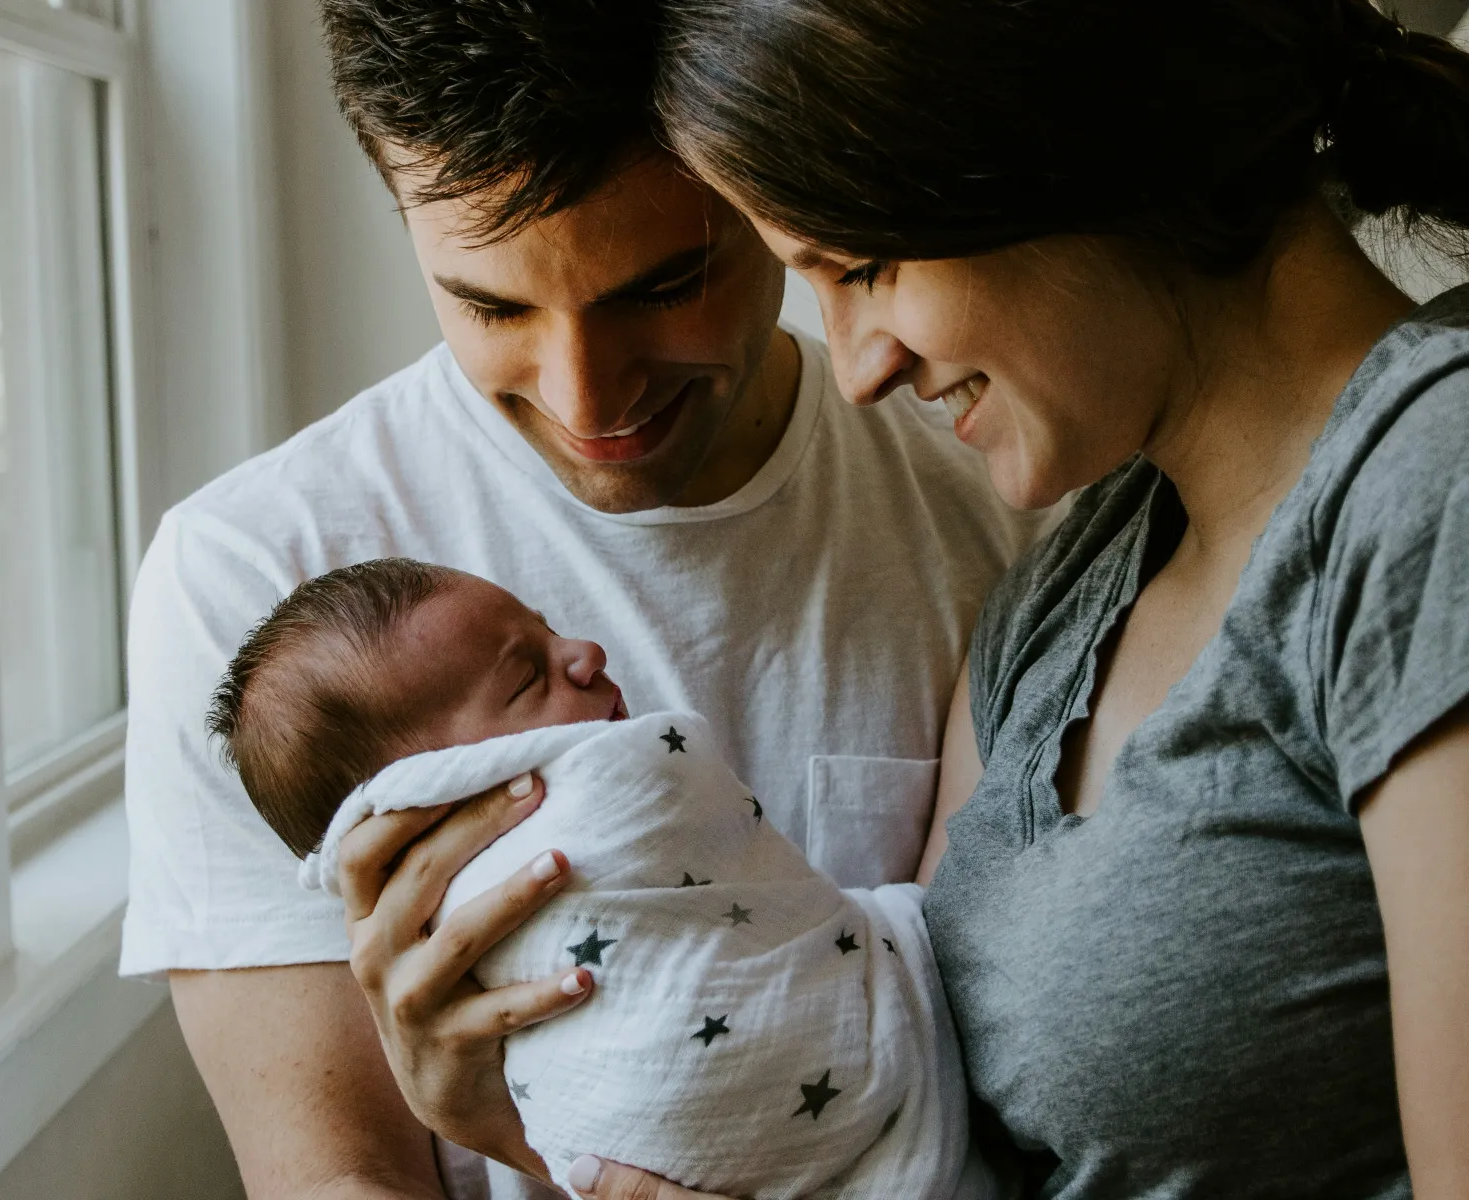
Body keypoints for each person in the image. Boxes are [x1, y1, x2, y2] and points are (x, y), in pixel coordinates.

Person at [116, 3, 1040, 1199]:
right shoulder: (251, 579)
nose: (586, 398)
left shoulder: (999, 503)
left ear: (772, 195)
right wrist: (514, 1142)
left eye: (664, 286)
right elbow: (335, 1180)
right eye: (492, 308)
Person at [547, 0, 1469, 1197]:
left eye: (864, 266)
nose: (861, 367)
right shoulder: (1064, 591)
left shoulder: (1427, 486)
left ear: (1065, 142)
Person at [209, 558, 990, 1200]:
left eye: (547, 629)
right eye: (525, 679)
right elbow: (332, 1178)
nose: (585, 652)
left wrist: (501, 1131)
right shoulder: (231, 555)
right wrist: (474, 1113)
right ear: (438, 788)